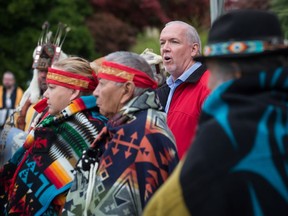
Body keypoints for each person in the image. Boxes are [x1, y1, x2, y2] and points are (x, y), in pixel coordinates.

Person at [143, 9, 288, 216]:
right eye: (162, 42)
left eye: (214, 70)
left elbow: (162, 210)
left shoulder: (223, 135)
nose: (210, 80)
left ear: (235, 72)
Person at [63, 51, 179, 216]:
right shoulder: (122, 125)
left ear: (127, 90)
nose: (95, 92)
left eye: (102, 84)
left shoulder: (147, 133)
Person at [0, 56, 107, 215]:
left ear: (74, 92)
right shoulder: (53, 120)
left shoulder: (91, 128)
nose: (45, 95)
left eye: (52, 88)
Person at [157, 20, 210, 159]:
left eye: (174, 41)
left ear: (194, 49)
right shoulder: (163, 89)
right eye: (162, 43)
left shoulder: (208, 85)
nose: (165, 48)